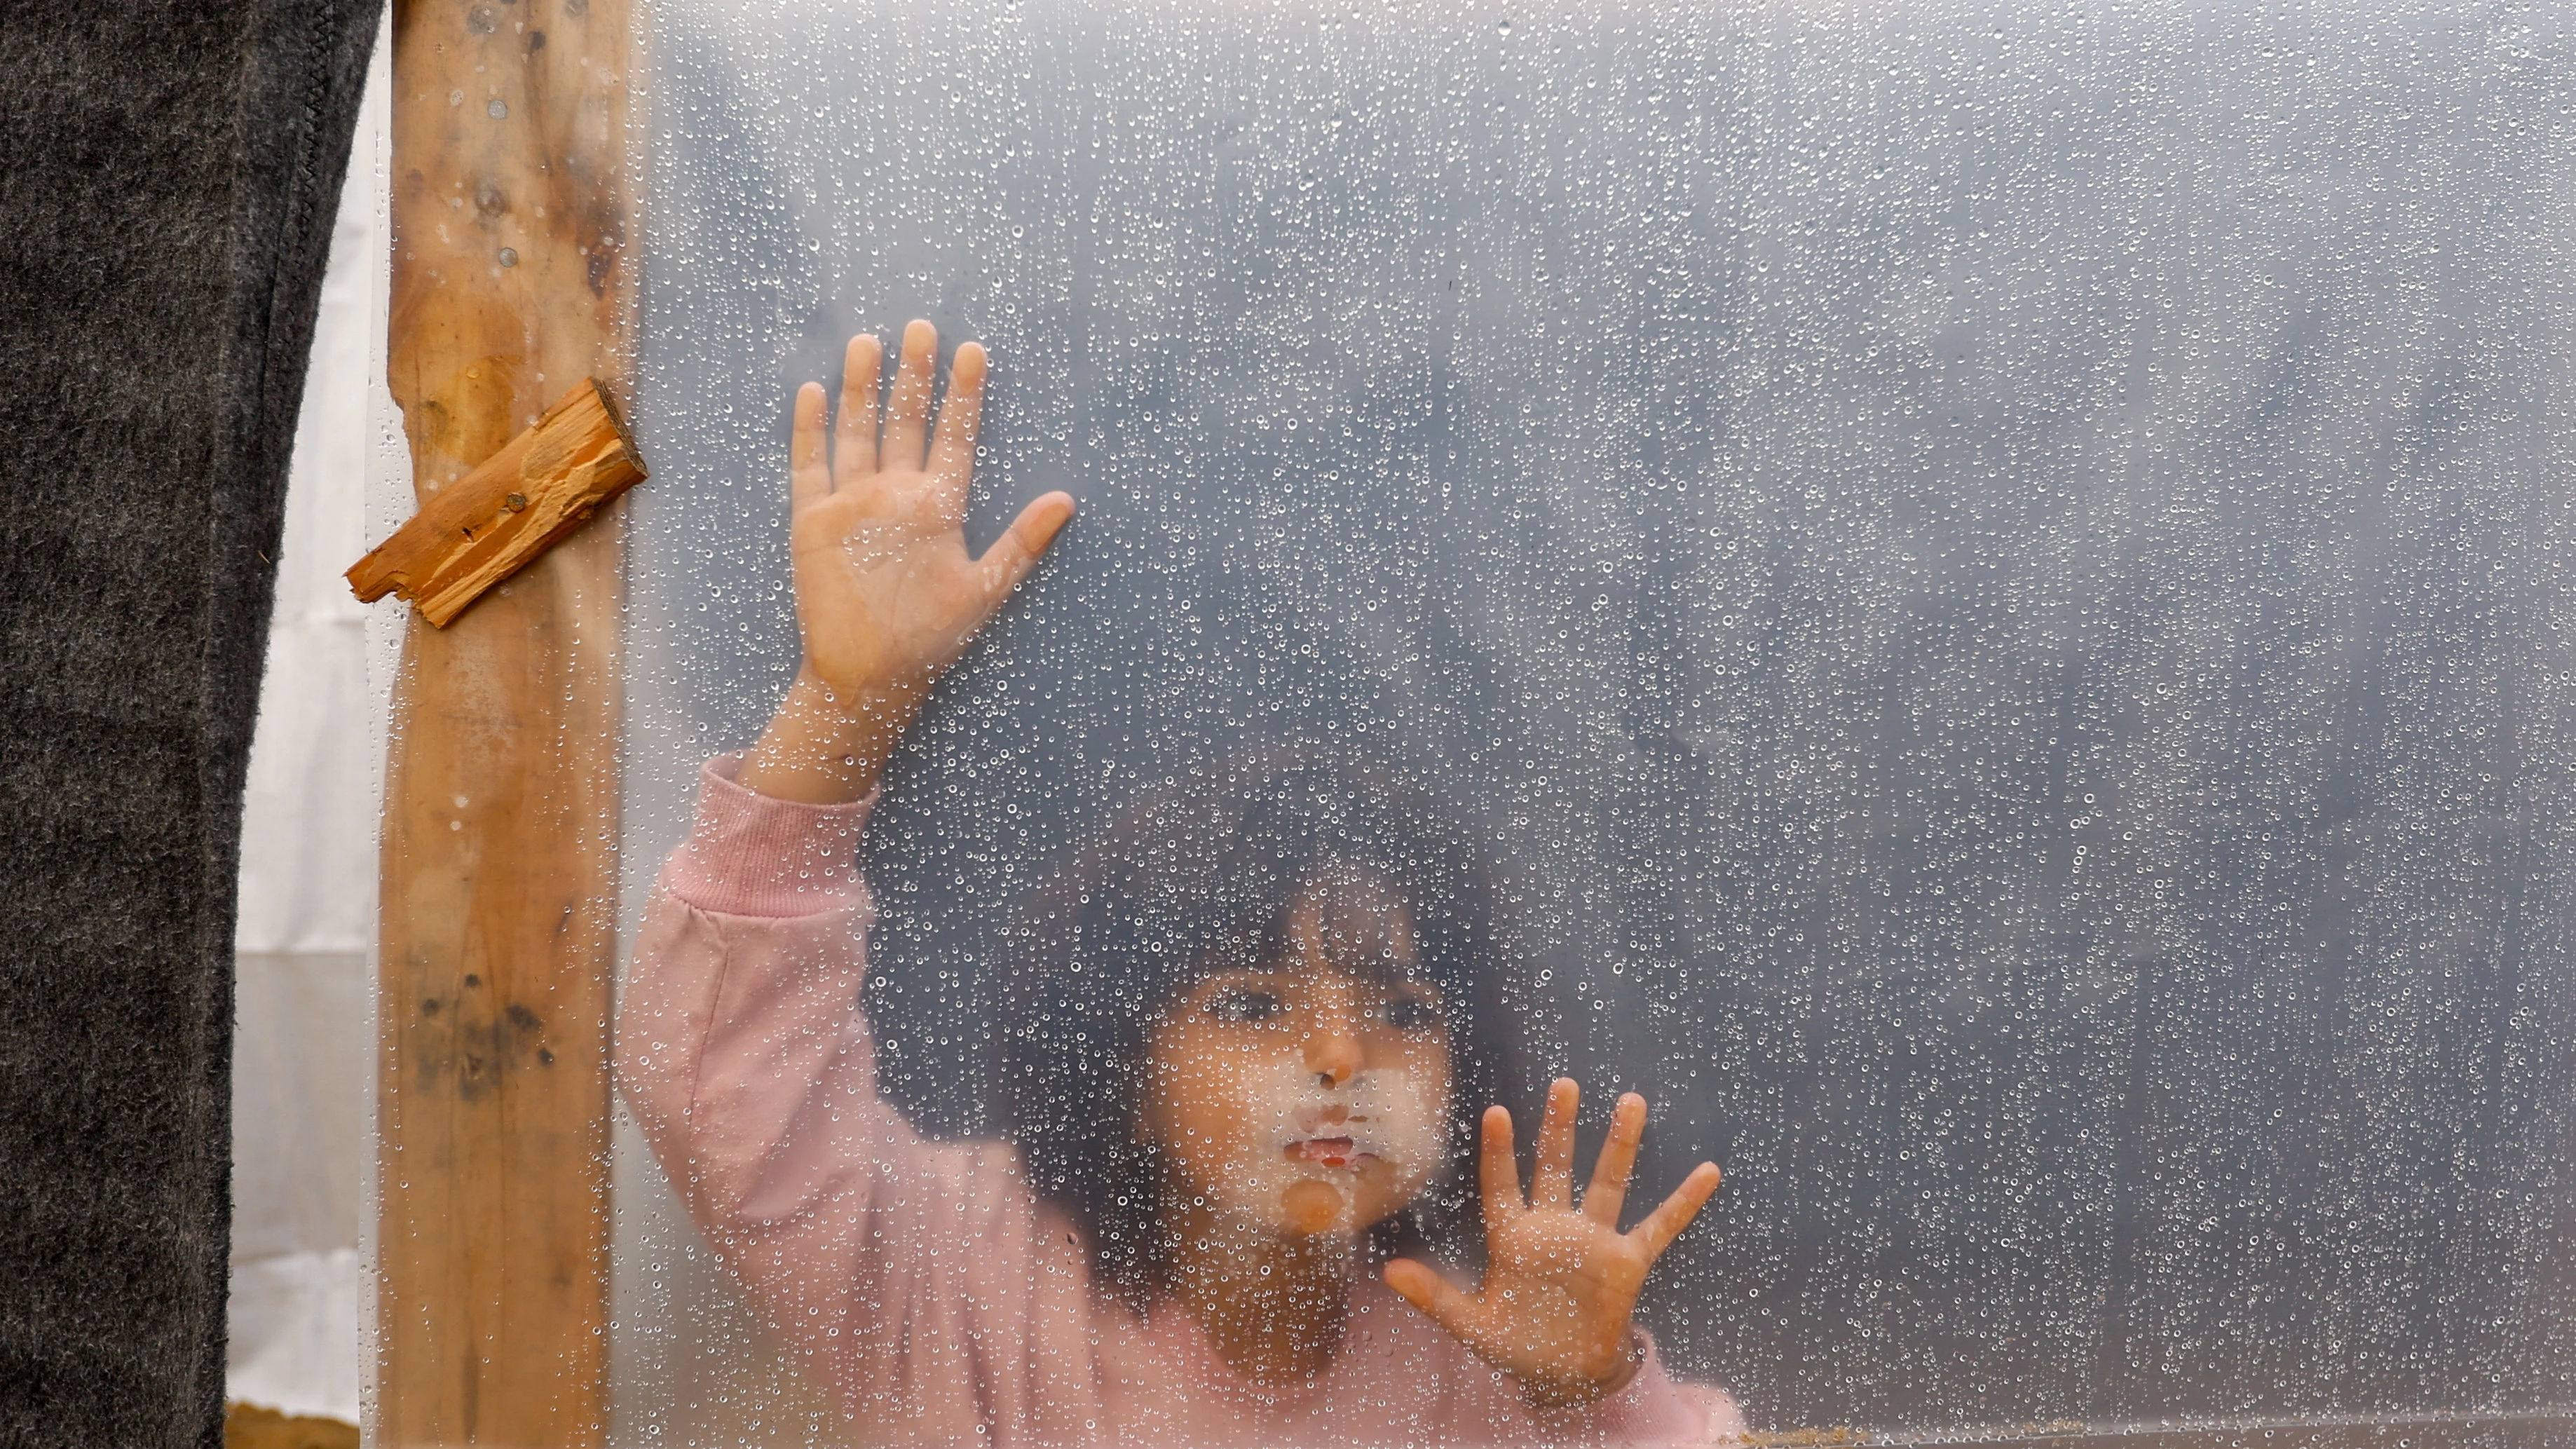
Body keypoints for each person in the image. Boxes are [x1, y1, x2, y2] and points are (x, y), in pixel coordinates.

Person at [616, 320, 1745, 1445]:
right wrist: (844, 701)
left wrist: (1592, 1397)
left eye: (1402, 1008)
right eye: (1253, 1002)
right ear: (1127, 1066)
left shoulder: (1491, 1351)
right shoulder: (949, 1268)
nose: (1342, 1059)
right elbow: (715, 1084)